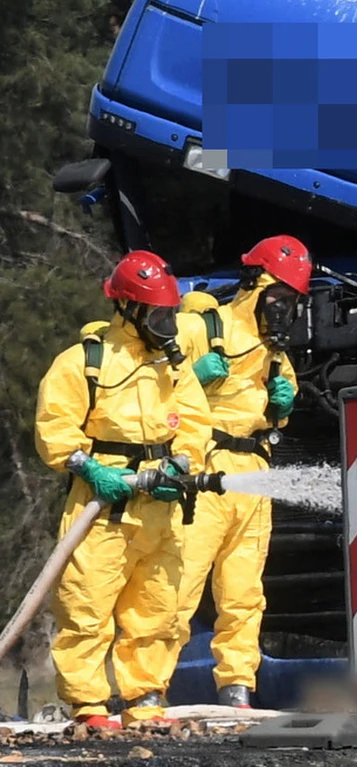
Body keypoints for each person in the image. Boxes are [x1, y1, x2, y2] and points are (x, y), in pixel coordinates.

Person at [35, 251, 212, 729]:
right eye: (158, 315)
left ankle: (145, 700)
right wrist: (90, 470)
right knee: (86, 605)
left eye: (170, 314)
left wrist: (181, 462)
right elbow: (55, 428)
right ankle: (90, 706)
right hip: (102, 507)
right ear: (129, 310)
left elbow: (195, 421)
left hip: (159, 506)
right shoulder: (85, 362)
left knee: (159, 607)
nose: (167, 324)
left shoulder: (170, 367)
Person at [165, 235, 310, 709]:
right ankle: (146, 688)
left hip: (254, 474)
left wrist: (283, 407)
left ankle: (237, 687)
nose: (285, 309)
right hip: (205, 472)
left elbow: (276, 406)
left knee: (245, 592)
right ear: (254, 286)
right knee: (177, 588)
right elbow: (141, 387)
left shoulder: (275, 353)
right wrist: (189, 378)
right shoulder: (199, 329)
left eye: (293, 301)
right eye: (279, 298)